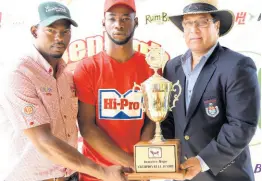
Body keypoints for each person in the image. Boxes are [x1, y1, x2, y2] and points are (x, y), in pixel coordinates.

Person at [0, 1, 128, 181]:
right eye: (51, 30)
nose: (59, 38)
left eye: (65, 31)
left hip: (69, 177)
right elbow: (44, 142)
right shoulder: (19, 73)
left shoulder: (65, 75)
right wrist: (102, 172)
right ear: (34, 31)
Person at [161, 0, 260, 181]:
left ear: (217, 25)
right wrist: (161, 154)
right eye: (188, 23)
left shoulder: (237, 65)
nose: (194, 29)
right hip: (183, 175)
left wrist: (202, 161)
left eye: (202, 21)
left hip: (227, 176)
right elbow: (168, 118)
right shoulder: (172, 67)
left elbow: (241, 126)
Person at [73, 0, 156, 180]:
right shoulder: (88, 68)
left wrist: (140, 161)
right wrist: (130, 162)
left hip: (137, 174)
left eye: (126, 18)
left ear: (136, 22)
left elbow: (151, 120)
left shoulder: (151, 67)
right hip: (97, 174)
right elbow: (87, 126)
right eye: (112, 18)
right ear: (103, 22)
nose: (119, 24)